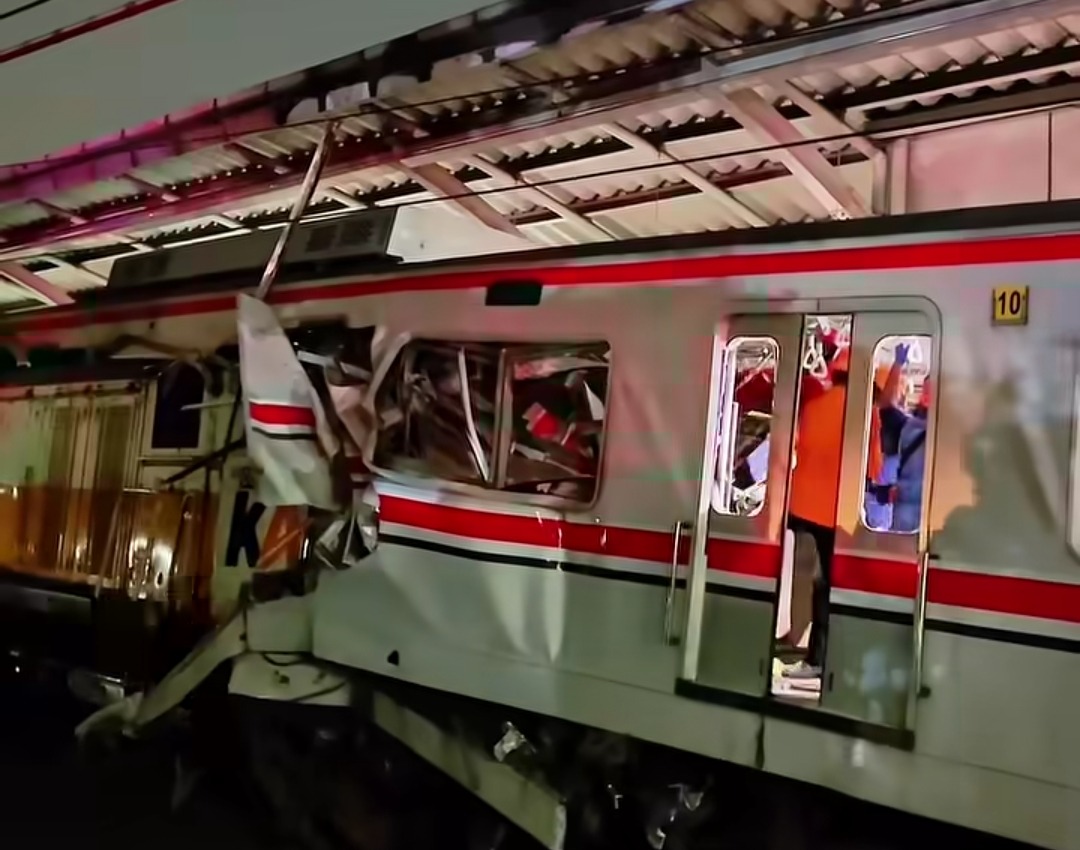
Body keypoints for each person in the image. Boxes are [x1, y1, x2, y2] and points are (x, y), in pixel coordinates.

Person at [778, 345, 850, 680]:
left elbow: (792, 446)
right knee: (827, 588)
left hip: (800, 509)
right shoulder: (863, 415)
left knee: (801, 579)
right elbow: (875, 469)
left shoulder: (813, 406)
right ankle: (817, 658)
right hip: (837, 516)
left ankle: (793, 639)